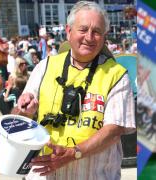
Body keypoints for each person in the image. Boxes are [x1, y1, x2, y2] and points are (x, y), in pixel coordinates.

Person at [16, 1, 135, 180]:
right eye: (83, 29)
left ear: (105, 36)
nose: (89, 37)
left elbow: (114, 130)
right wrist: (24, 110)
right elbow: (19, 117)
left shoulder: (116, 75)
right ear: (68, 31)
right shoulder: (45, 66)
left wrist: (74, 153)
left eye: (96, 32)